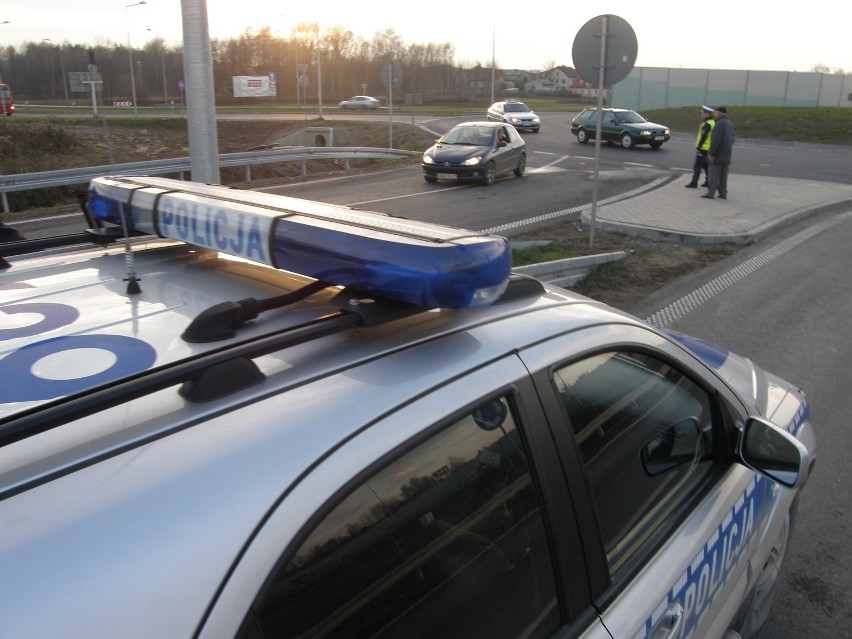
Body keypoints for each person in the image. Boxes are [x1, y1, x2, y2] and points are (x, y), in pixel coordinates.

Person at [702, 107, 734, 199]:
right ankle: (723, 193)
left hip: (717, 155)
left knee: (714, 175)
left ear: (719, 113)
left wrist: (711, 154)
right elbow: (732, 139)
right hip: (727, 154)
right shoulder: (729, 123)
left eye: (715, 113)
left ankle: (710, 193)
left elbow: (716, 140)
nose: (714, 114)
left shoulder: (719, 124)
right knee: (724, 176)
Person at [685, 106, 715, 188]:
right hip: (709, 149)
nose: (701, 115)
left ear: (707, 114)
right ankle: (708, 182)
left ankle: (694, 182)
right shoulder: (713, 122)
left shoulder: (707, 124)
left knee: (697, 166)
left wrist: (699, 147)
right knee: (706, 166)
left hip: (703, 148)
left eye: (702, 114)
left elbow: (703, 136)